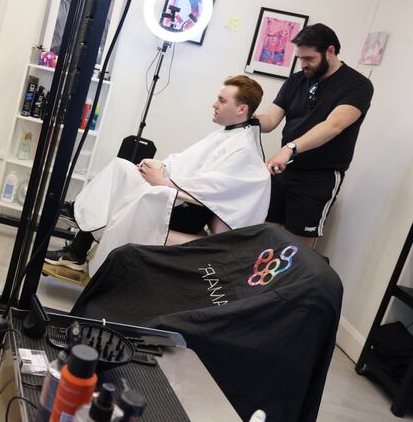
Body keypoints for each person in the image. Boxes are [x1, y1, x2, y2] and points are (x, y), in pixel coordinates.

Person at [46, 75, 270, 275]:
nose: (214, 104)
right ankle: (78, 239)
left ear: (241, 109)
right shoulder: (228, 134)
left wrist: (162, 181)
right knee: (122, 168)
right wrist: (159, 166)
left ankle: (78, 230)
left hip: (188, 211)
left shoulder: (243, 149)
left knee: (123, 186)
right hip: (177, 197)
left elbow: (214, 189)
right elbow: (186, 162)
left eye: (222, 100)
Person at [256, 23, 373, 247]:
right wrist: (244, 117)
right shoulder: (296, 80)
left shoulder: (358, 85)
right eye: (300, 58)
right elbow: (270, 120)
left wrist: (290, 148)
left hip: (318, 178)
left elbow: (333, 126)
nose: (303, 64)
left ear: (330, 51)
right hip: (284, 171)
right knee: (266, 237)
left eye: (309, 58)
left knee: (296, 250)